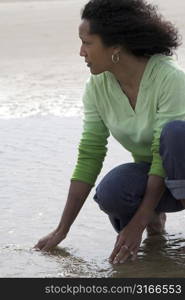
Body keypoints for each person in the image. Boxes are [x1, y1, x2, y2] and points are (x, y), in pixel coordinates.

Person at [34, 0, 185, 264]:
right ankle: (155, 229)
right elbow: (90, 154)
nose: (81, 52)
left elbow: (165, 153)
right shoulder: (97, 88)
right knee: (112, 191)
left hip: (180, 168)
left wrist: (135, 224)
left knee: (173, 134)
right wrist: (62, 230)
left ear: (115, 46)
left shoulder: (169, 78)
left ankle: (147, 222)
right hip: (159, 178)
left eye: (87, 42)